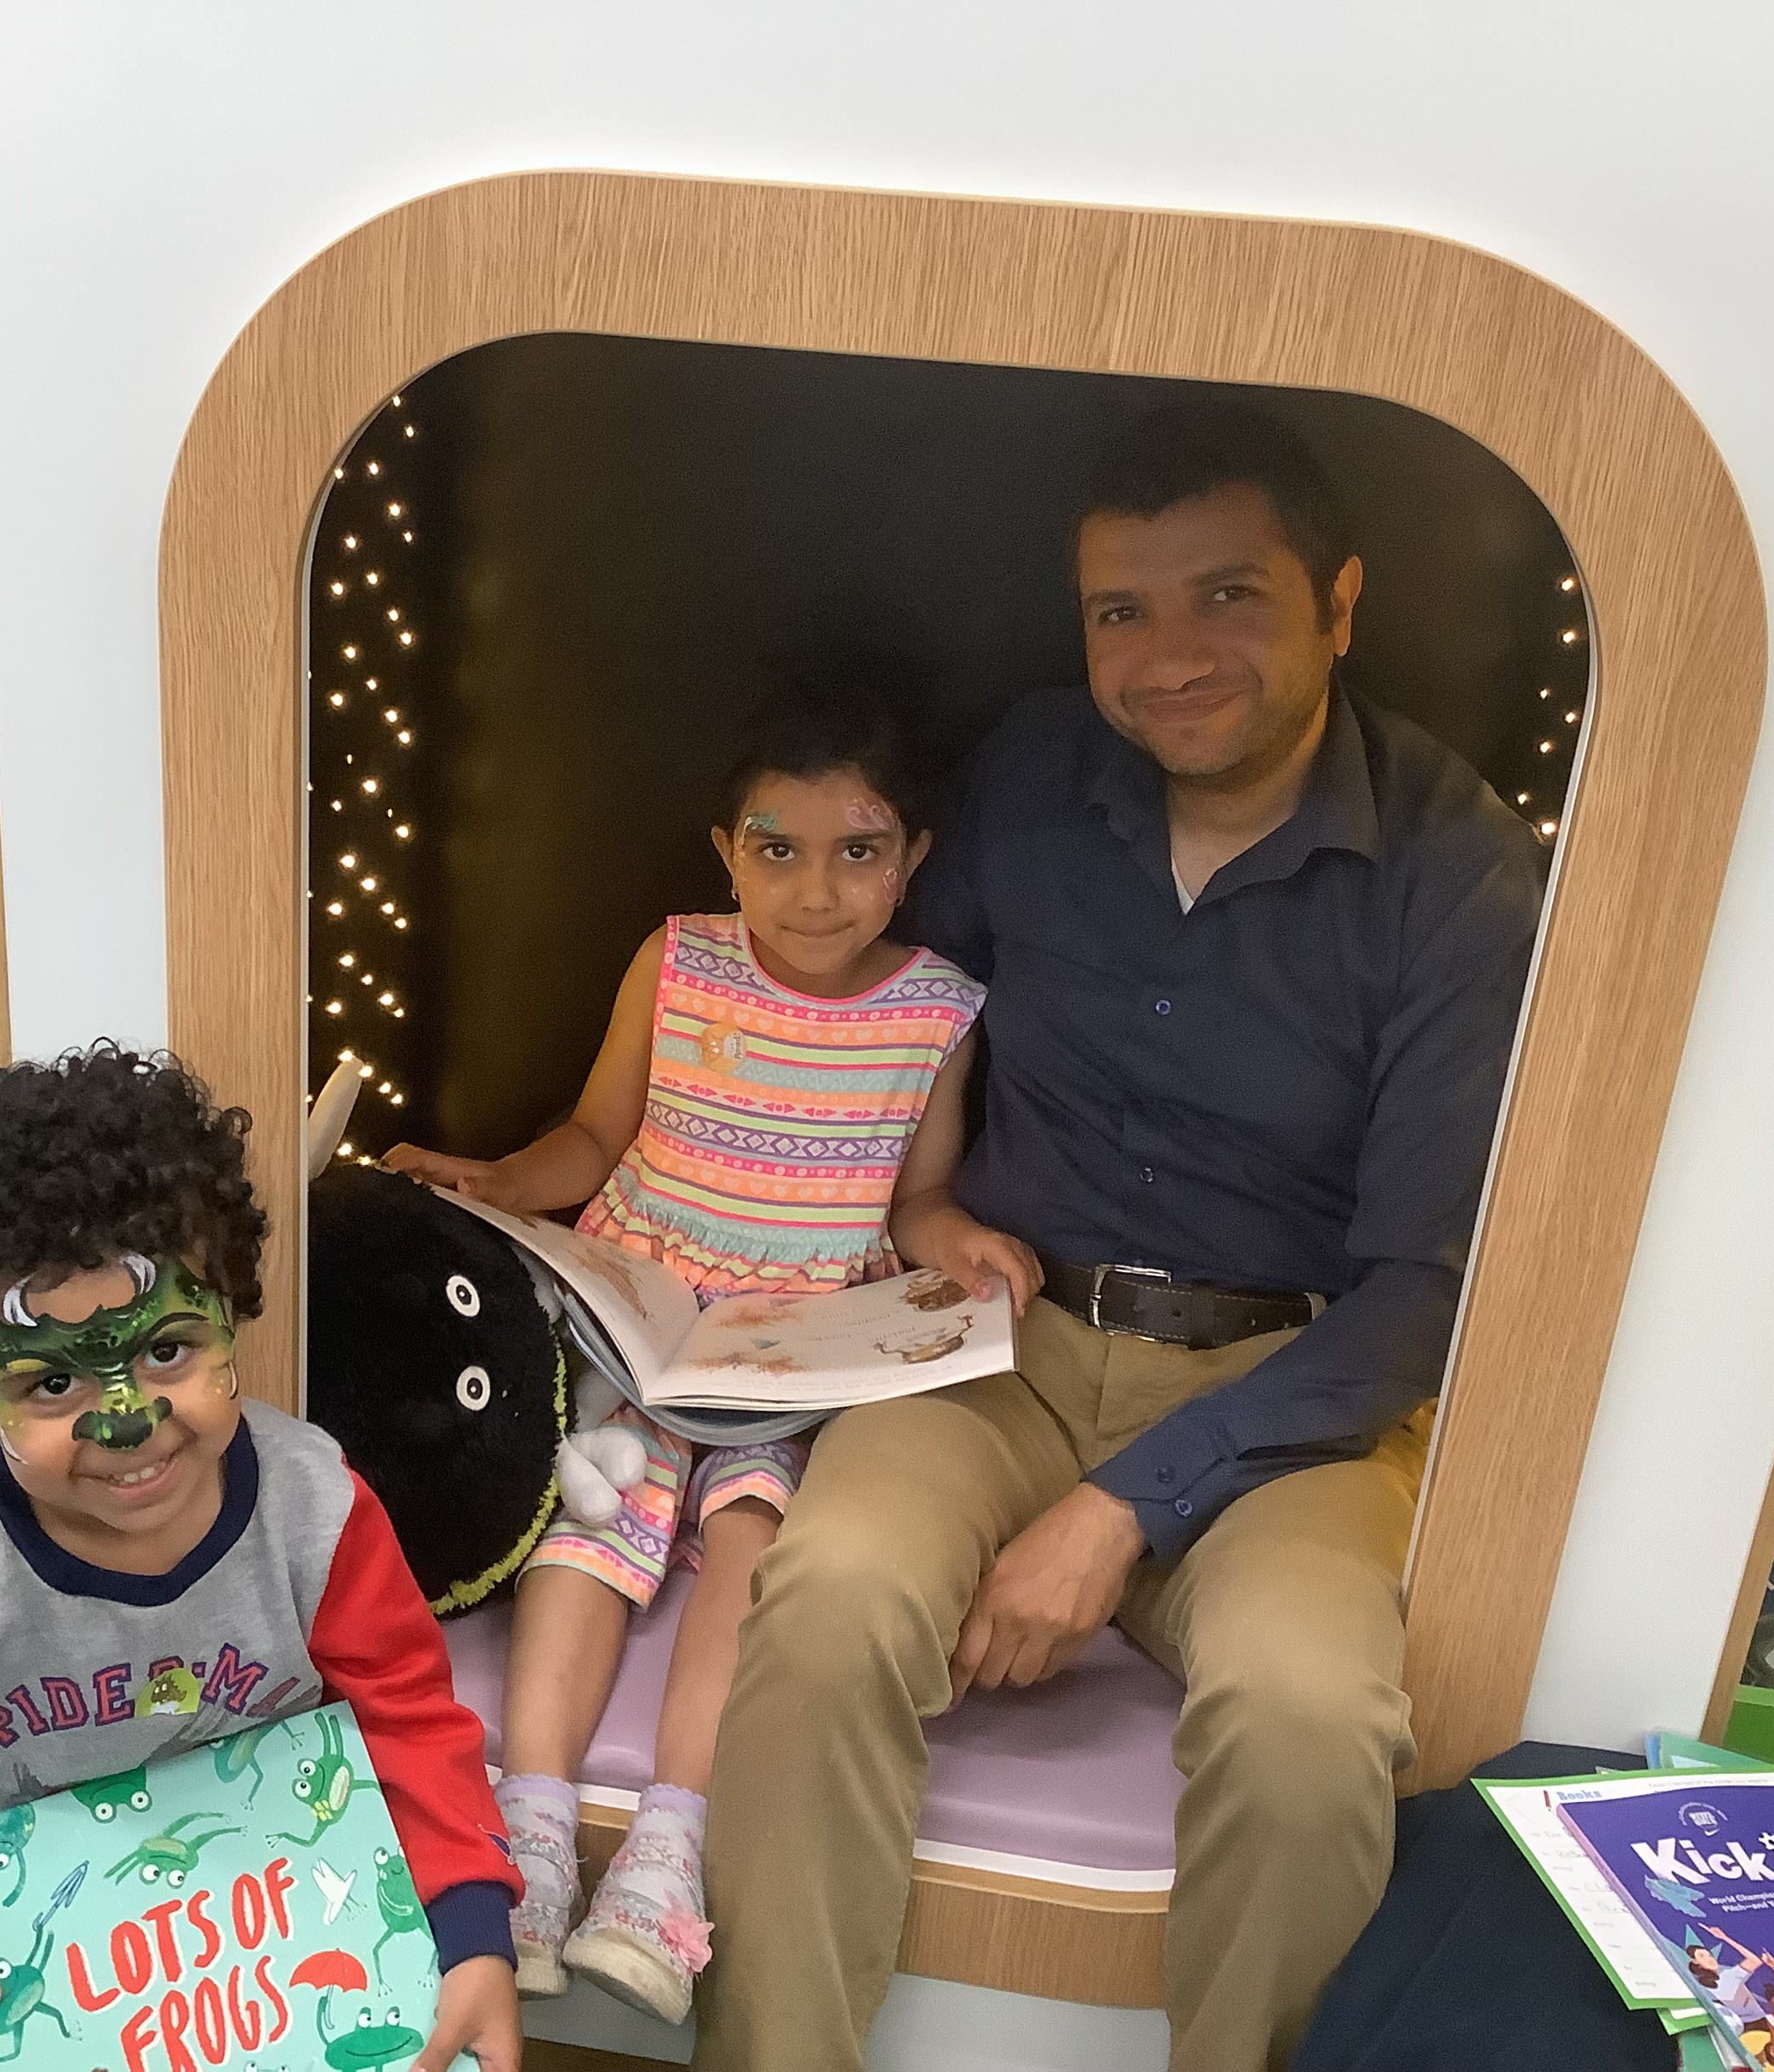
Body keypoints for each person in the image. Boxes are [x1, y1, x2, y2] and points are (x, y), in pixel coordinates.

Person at [694, 400, 1547, 2072]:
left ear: (1340, 602)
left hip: (1293, 1395)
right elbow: (882, 1003)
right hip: (995, 1345)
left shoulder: (1459, 876)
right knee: (830, 1600)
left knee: (1312, 1727)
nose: (1167, 656)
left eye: (1227, 596)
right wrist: (898, 1199)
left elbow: (1419, 1298)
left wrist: (1119, 1512)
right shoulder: (1025, 776)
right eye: (1119, 612)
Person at [0, 1046, 522, 2072]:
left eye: (167, 1349)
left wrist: (472, 1930)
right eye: (53, 1385)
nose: (128, 1423)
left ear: (233, 1304)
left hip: (260, 1922)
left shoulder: (315, 1510)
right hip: (4, 1952)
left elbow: (409, 1723)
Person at [385, 695, 1006, 2022]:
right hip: (634, 1305)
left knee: (754, 1541)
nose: (817, 891)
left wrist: (963, 1247)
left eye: (859, 851)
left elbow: (915, 1203)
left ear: (914, 858)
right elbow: (598, 1135)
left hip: (792, 1344)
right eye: (777, 851)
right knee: (590, 1522)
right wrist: (496, 1180)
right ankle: (535, 1831)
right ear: (726, 851)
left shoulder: (939, 1014)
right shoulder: (679, 960)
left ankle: (668, 1850)